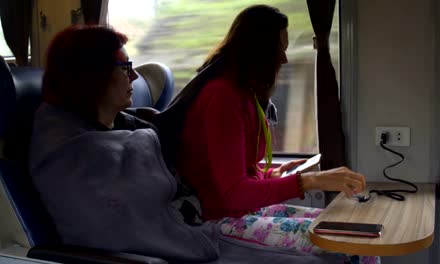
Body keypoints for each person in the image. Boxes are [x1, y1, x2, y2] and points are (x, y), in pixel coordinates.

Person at [28, 25, 331, 264]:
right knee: (328, 252)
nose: (134, 75)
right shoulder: (76, 156)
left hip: (198, 228)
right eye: (124, 66)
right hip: (180, 245)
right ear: (92, 76)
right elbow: (126, 228)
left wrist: (268, 177)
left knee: (335, 232)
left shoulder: (131, 124)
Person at [177, 5, 380, 263]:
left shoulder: (245, 95)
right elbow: (232, 193)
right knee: (354, 245)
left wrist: (272, 174)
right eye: (279, 50)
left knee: (353, 229)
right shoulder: (222, 97)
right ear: (257, 52)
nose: (284, 59)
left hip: (245, 210)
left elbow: (236, 171)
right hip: (221, 219)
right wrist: (311, 181)